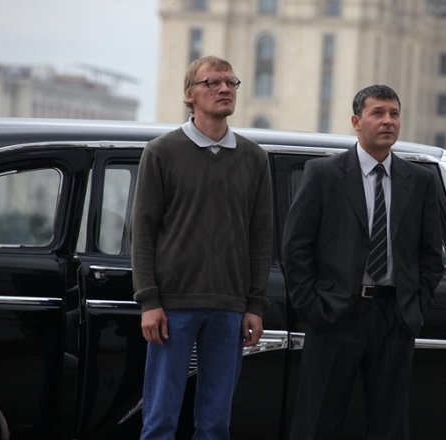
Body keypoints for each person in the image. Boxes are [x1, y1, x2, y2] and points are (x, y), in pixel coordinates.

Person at [282, 84, 444, 439]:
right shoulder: (323, 174)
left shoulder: (420, 181)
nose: (388, 121)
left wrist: (416, 308)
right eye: (378, 113)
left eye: (394, 114)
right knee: (318, 421)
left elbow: (432, 255)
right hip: (335, 315)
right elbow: (295, 247)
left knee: (389, 425)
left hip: (394, 317)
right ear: (356, 122)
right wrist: (313, 307)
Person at [131, 55, 273, 439]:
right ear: (190, 95)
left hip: (230, 306)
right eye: (213, 82)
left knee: (215, 422)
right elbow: (142, 232)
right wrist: (148, 301)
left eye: (231, 82)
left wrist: (255, 305)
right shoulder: (161, 152)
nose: (225, 89)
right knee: (160, 418)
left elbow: (261, 237)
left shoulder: (254, 158)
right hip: (172, 304)